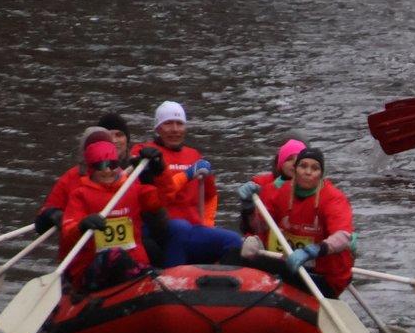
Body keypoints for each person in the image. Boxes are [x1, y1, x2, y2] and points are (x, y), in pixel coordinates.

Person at [56, 137, 167, 293]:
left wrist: (159, 172)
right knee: (114, 254)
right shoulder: (80, 195)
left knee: (151, 249)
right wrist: (81, 225)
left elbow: (163, 200)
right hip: (95, 269)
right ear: (91, 169)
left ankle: (144, 277)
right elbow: (67, 232)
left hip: (134, 262)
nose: (107, 170)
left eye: (112, 165)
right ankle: (143, 276)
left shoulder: (132, 188)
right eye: (100, 166)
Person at [239, 145, 353, 295]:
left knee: (282, 273)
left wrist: (312, 251)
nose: (308, 172)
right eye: (303, 166)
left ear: (321, 174)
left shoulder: (334, 198)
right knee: (234, 254)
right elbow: (259, 227)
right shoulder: (280, 192)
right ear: (295, 170)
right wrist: (248, 208)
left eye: (314, 168)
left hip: (324, 276)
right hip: (289, 265)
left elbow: (343, 236)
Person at [142, 101, 242, 267]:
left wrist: (207, 223)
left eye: (179, 124)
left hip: (192, 229)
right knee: (180, 228)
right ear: (158, 128)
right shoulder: (147, 153)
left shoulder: (194, 155)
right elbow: (163, 193)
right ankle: (174, 275)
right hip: (159, 229)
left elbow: (210, 196)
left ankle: (219, 280)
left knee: (233, 241)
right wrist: (187, 175)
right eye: (168, 123)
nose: (175, 129)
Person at [38, 124, 119, 235]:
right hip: (80, 241)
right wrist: (55, 215)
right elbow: (41, 222)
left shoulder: (126, 179)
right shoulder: (70, 179)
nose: (107, 170)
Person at [238, 137, 304, 234]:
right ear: (280, 164)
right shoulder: (260, 185)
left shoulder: (317, 189)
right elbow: (248, 229)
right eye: (289, 159)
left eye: (299, 160)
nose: (294, 163)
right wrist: (248, 208)